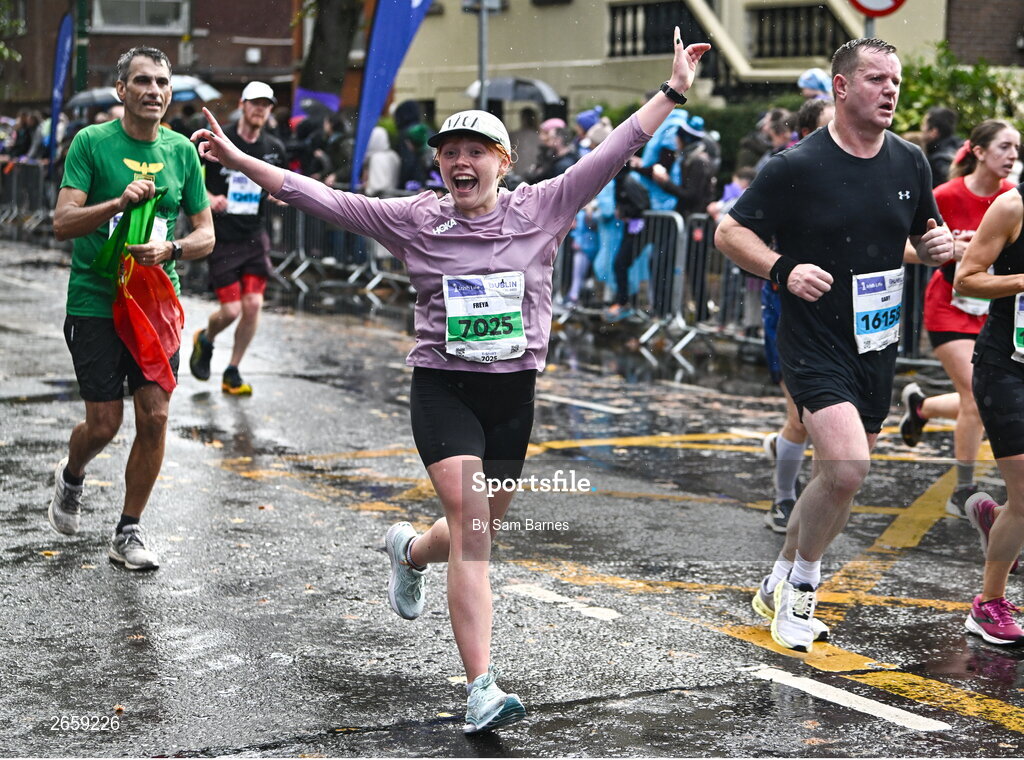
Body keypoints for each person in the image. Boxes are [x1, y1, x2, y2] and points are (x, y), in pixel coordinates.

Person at [192, 28, 709, 732]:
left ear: (503, 160)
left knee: (472, 530)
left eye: (475, 152)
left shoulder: (545, 206)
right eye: (449, 153)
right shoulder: (415, 219)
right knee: (474, 531)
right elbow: (317, 197)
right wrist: (237, 159)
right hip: (442, 387)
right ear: (438, 164)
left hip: (512, 396)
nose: (460, 162)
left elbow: (615, 149)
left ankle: (408, 550)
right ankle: (482, 688)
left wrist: (673, 89)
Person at [715, 37, 954, 652]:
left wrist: (937, 247)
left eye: (895, 81)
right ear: (842, 88)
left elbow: (924, 231)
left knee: (837, 477)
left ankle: (775, 580)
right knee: (848, 468)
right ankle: (801, 592)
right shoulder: (796, 166)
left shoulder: (910, 161)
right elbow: (729, 231)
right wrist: (781, 268)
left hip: (876, 341)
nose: (890, 90)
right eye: (876, 79)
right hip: (812, 338)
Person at [50, 46, 214, 570]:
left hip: (155, 302)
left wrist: (173, 249)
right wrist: (118, 203)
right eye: (142, 81)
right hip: (96, 299)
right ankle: (72, 475)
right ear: (122, 90)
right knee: (103, 424)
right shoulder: (91, 143)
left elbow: (206, 232)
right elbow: (62, 221)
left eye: (162, 82)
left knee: (156, 415)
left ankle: (128, 530)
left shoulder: (181, 153)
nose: (154, 91)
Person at [899, 120, 1020, 517]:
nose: (1013, 156)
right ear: (980, 152)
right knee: (973, 393)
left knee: (982, 399)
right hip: (949, 306)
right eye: (1004, 147)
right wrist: (947, 248)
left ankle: (923, 408)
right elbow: (901, 241)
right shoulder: (947, 194)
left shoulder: (1011, 197)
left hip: (997, 312)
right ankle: (963, 488)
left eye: (1017, 148)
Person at [759, 97, 835, 534]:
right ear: (806, 135)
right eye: (829, 128)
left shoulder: (863, 170)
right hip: (791, 308)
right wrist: (786, 269)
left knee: (833, 422)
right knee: (801, 416)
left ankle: (822, 492)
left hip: (845, 317)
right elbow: (740, 234)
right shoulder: (786, 173)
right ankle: (785, 498)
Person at [954, 176, 1024, 644]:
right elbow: (967, 278)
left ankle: (997, 518)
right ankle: (988, 604)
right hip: (1006, 367)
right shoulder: (1012, 207)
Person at [190, 81, 286, 396]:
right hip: (222, 237)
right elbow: (188, 178)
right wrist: (208, 196)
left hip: (254, 237)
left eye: (266, 105)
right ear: (243, 104)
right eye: (255, 103)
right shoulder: (220, 139)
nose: (260, 109)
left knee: (254, 305)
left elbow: (282, 184)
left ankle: (232, 370)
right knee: (230, 310)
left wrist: (281, 196)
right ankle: (205, 337)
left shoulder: (273, 149)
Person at [923, 106, 961, 188]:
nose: (922, 129)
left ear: (934, 131)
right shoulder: (962, 148)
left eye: (924, 125)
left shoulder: (938, 160)